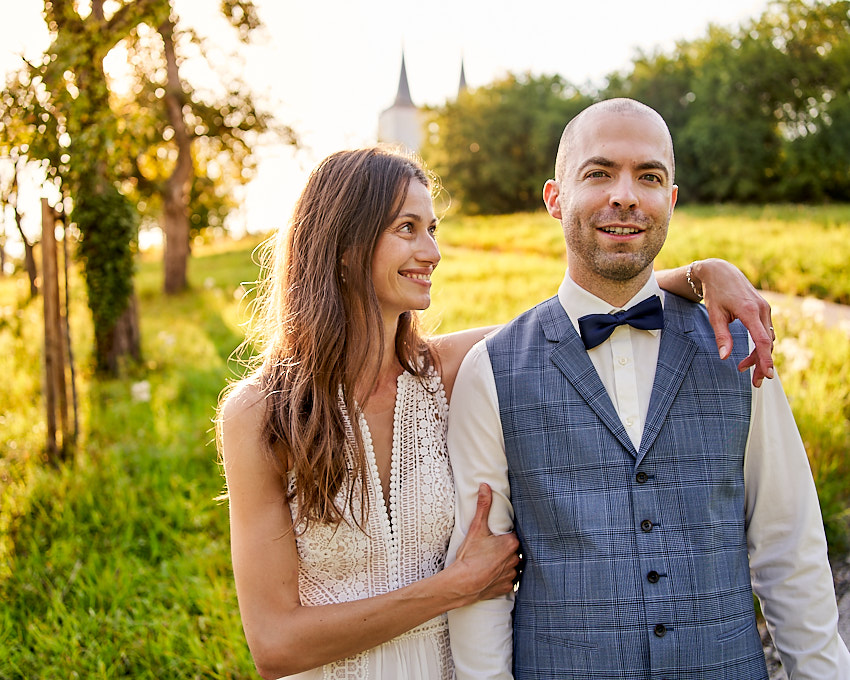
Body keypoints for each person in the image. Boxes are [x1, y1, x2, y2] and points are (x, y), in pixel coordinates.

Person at [217, 146, 777, 680]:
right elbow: (274, 645)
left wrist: (702, 274)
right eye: (407, 229)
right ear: (343, 244)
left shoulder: (445, 373)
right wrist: (455, 586)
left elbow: (580, 314)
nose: (431, 252)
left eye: (432, 230)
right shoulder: (260, 414)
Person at [445, 98, 850, 680]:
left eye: (649, 176)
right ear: (555, 199)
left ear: (671, 201)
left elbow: (791, 544)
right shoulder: (492, 369)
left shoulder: (737, 346)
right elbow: (483, 588)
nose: (626, 195)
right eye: (599, 173)